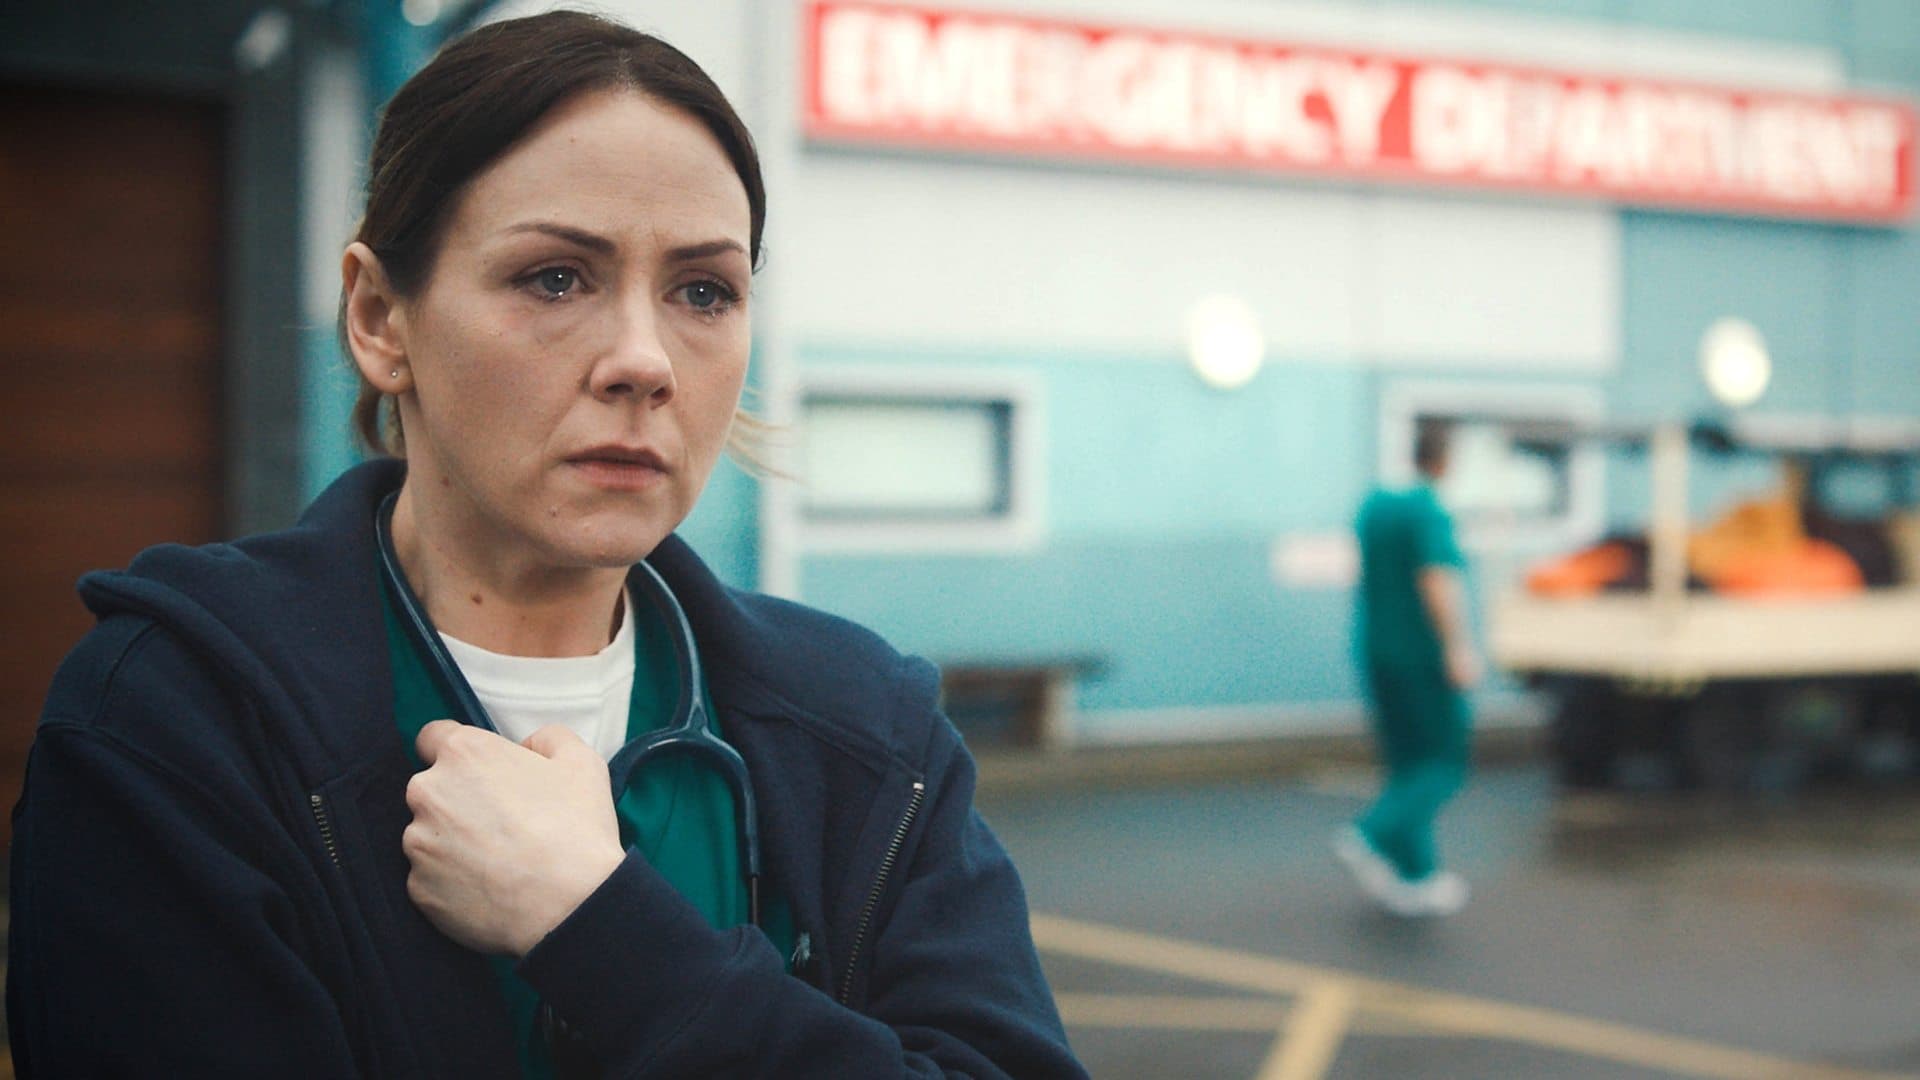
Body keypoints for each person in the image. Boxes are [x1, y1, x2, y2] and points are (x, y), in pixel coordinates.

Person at [7, 12, 1085, 1078]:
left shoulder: (866, 734)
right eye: (555, 278)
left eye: (703, 291)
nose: (643, 360)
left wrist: (604, 933)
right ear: (380, 318)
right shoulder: (175, 721)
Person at [1335, 419, 1479, 917]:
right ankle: (1370, 834)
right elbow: (1436, 580)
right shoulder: (1429, 511)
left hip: (1377, 650)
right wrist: (1456, 647)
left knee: (1405, 767)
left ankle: (1417, 876)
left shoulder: (1374, 506)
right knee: (1441, 764)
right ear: (1447, 460)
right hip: (1421, 656)